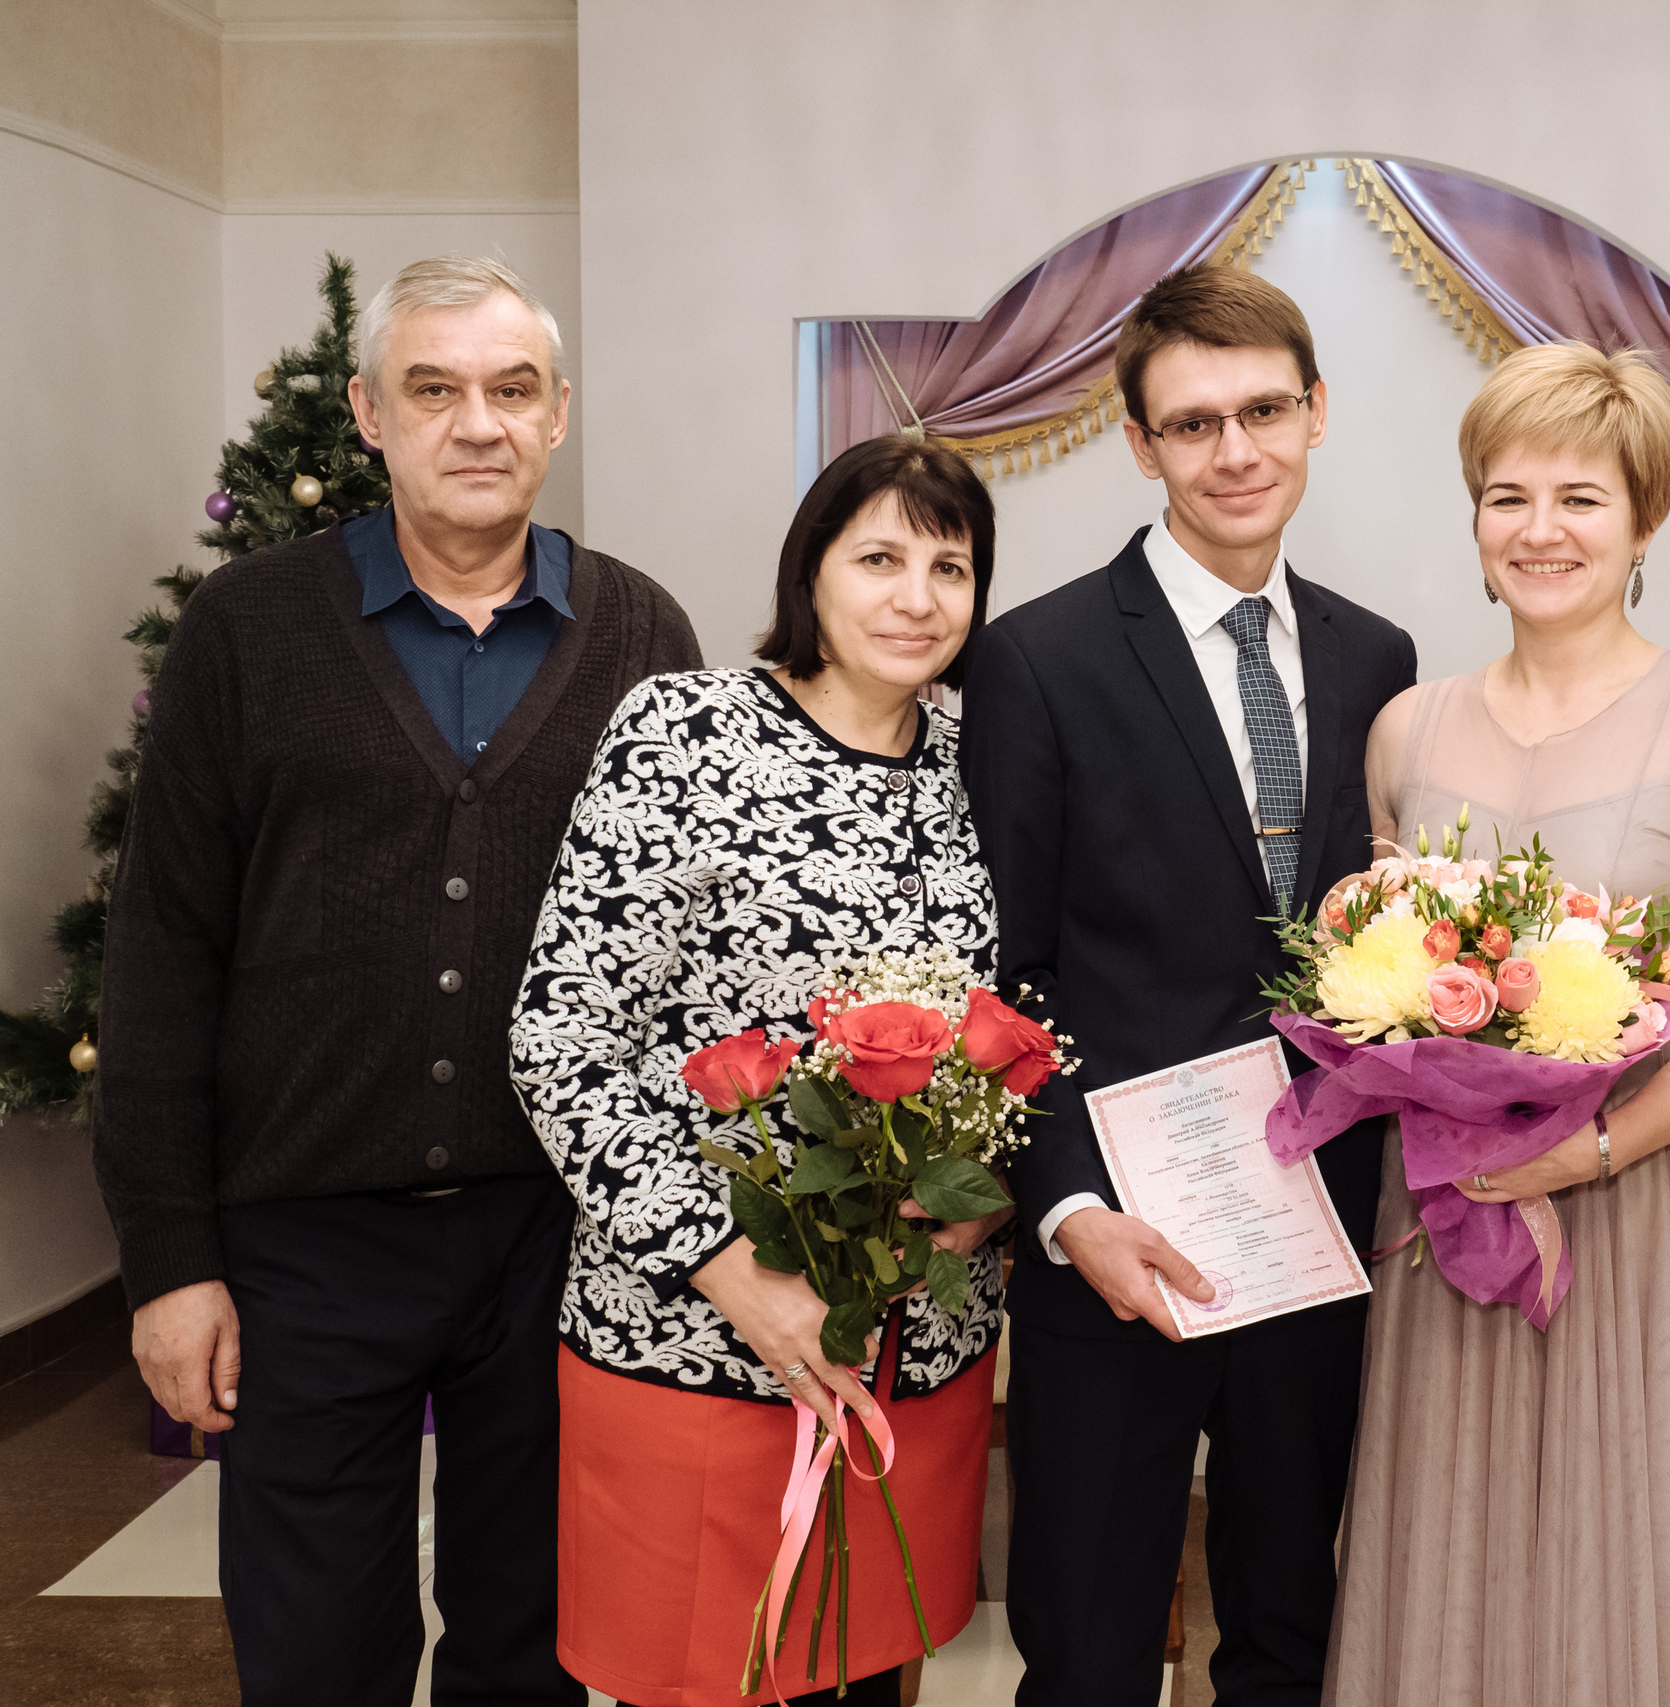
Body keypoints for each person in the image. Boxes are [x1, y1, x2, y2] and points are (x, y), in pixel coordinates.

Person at [95, 254, 701, 1704]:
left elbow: (688, 963)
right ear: (370, 412)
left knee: (535, 1643)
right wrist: (172, 1260)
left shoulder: (644, 639)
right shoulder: (248, 632)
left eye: (510, 389)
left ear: (558, 416)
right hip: (304, 1242)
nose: (475, 422)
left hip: (558, 1238)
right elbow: (164, 953)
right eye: (434, 388)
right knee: (314, 1653)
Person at [1324, 342, 1670, 1705]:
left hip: (1647, 1206)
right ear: (1476, 524)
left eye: (1581, 498)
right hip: (1452, 1209)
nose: (1540, 530)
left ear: (1646, 517)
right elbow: (1373, 973)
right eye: (1508, 496)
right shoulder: (1406, 730)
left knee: (1645, 1552)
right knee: (1459, 1548)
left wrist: (1585, 1151)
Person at [960, 265, 1418, 1706]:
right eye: (1195, 422)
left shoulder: (1375, 655)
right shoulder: (1033, 658)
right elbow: (1006, 975)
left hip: (1319, 1228)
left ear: (1316, 411)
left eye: (1264, 410)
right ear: (1142, 443)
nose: (1237, 451)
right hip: (1116, 1242)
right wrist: (1074, 1208)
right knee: (1089, 1648)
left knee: (1289, 1628)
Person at [509, 434, 1008, 1707]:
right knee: (705, 1676)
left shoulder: (985, 765)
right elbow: (562, 1037)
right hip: (699, 1339)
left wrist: (981, 1195)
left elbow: (1016, 1037)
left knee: (864, 1670)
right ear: (812, 571)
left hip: (917, 1345)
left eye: (949, 567)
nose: (915, 597)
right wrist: (738, 1276)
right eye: (880, 557)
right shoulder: (686, 730)